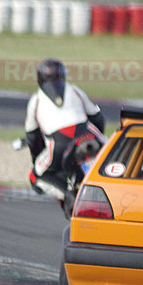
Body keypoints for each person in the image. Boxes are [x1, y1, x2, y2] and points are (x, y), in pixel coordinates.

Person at [24, 59, 105, 201]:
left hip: (59, 142)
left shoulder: (35, 101)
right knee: (112, 154)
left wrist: (35, 157)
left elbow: (32, 137)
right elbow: (98, 118)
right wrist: (98, 137)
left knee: (36, 176)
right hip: (89, 133)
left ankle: (70, 197)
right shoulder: (75, 90)